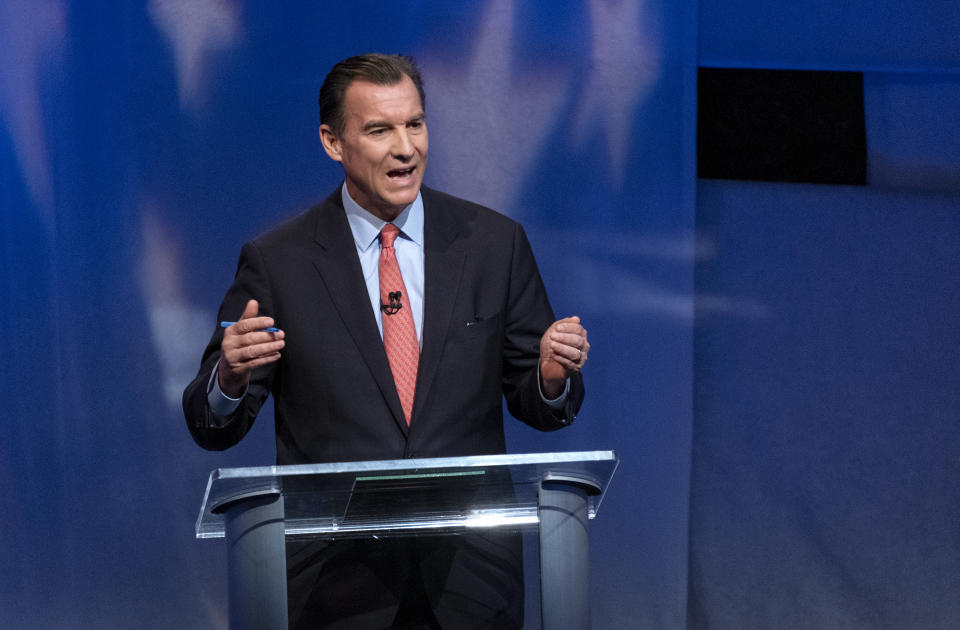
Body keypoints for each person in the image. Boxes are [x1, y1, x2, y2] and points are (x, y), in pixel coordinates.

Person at [183, 53, 589, 629]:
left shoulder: (494, 244)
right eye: (380, 130)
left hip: (470, 585)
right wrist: (228, 379)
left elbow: (541, 404)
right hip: (336, 589)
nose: (406, 148)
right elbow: (210, 422)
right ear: (333, 142)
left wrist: (550, 378)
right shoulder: (280, 263)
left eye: (415, 124)